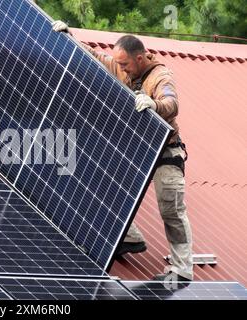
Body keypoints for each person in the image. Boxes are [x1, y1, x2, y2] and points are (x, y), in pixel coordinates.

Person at [52, 21, 193, 281]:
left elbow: (172, 103)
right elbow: (95, 57)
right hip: (137, 149)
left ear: (140, 58)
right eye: (120, 65)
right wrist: (69, 36)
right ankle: (129, 237)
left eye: (126, 64)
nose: (122, 69)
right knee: (99, 179)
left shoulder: (160, 76)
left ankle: (182, 269)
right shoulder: (121, 66)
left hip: (164, 152)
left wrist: (154, 104)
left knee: (171, 207)